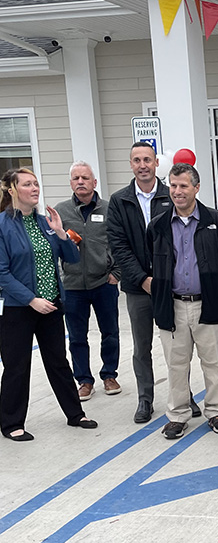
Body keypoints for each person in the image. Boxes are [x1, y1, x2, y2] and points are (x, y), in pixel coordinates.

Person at [0, 168, 98, 441]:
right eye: (28, 184)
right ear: (12, 191)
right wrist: (31, 300)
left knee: (58, 362)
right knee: (17, 366)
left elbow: (72, 260)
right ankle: (11, 423)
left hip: (52, 306)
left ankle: (75, 414)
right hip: (18, 309)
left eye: (36, 184)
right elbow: (2, 273)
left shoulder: (45, 222)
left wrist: (60, 234)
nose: (35, 189)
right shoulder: (2, 225)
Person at [147, 163, 218, 440]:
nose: (177, 191)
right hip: (172, 305)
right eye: (173, 186)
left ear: (196, 188)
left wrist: (213, 286)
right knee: (176, 364)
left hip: (209, 303)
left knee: (213, 361)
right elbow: (149, 260)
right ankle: (177, 415)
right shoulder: (158, 225)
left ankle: (216, 411)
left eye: (183, 186)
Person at [107, 142, 174, 423]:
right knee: (141, 346)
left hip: (172, 286)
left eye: (147, 159)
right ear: (131, 164)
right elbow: (119, 247)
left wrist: (166, 278)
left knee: (177, 345)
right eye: (137, 160)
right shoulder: (119, 200)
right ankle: (145, 399)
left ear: (156, 163)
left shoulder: (172, 195)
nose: (142, 165)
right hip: (138, 288)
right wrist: (143, 279)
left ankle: (184, 396)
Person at [55, 161, 122, 400]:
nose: (80, 182)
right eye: (76, 178)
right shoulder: (60, 211)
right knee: (76, 337)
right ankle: (84, 380)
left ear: (95, 182)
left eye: (85, 178)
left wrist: (117, 273)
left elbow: (120, 242)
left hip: (104, 282)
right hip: (72, 286)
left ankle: (109, 375)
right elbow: (52, 246)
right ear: (71, 183)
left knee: (110, 332)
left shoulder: (109, 209)